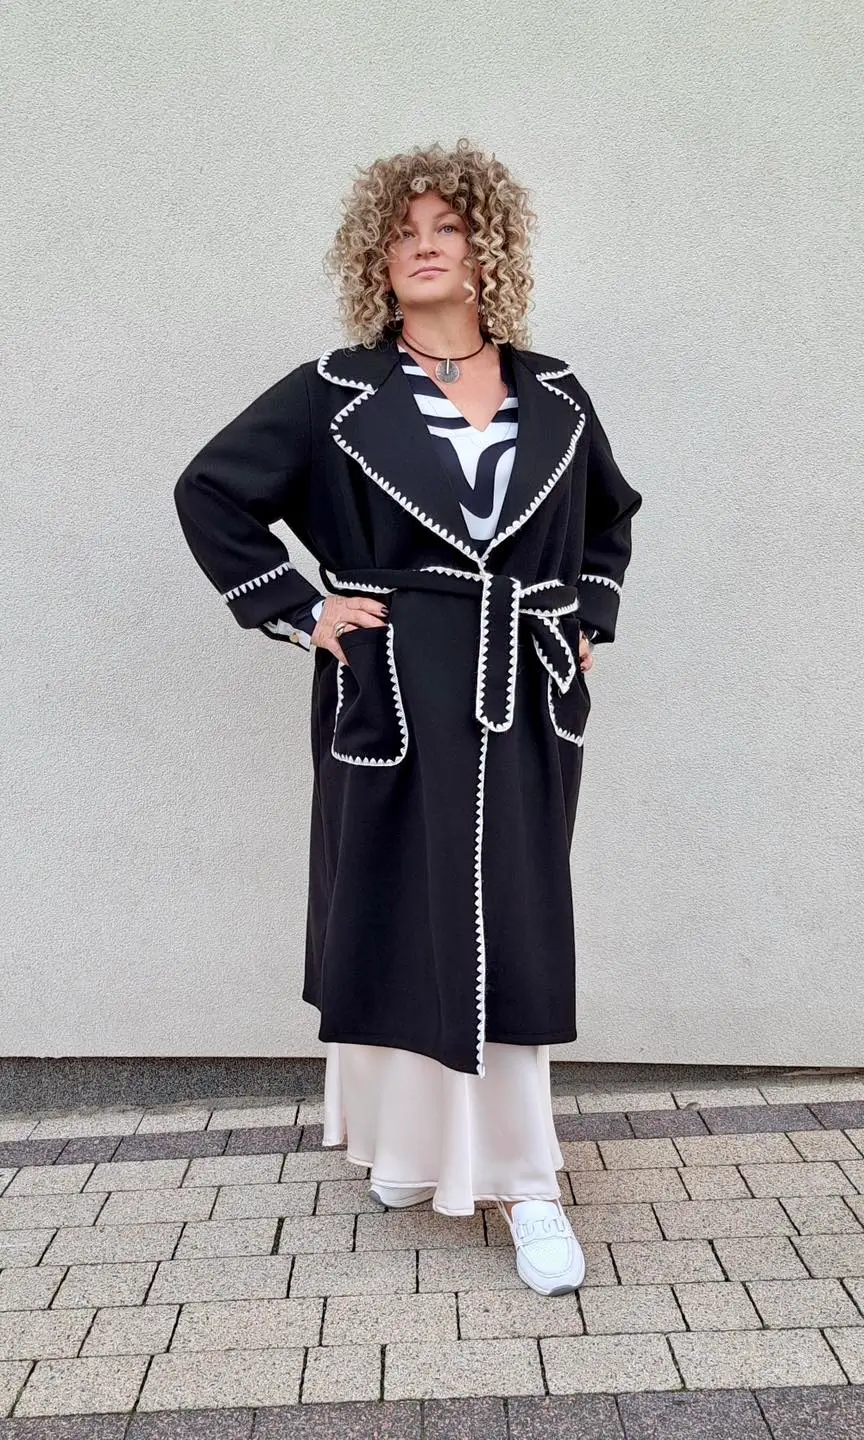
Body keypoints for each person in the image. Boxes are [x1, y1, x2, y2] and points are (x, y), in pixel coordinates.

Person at [173, 138, 643, 1297]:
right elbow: (211, 491)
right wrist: (303, 610)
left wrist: (586, 616)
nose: (425, 247)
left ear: (488, 249)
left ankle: (526, 1183)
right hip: (390, 684)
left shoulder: (556, 393)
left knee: (509, 917)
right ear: (376, 260)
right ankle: (403, 1150)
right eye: (403, 233)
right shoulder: (337, 393)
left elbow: (607, 520)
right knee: (390, 910)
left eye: (448, 228)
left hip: (518, 686)